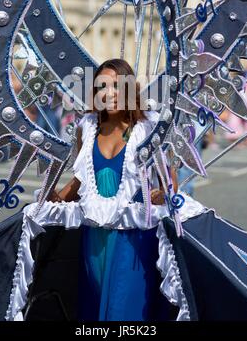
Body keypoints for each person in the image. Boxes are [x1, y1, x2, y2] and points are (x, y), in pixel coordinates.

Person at [48, 58, 178, 321]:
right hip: (94, 237)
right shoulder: (87, 127)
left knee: (124, 309)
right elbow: (83, 179)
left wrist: (161, 193)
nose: (110, 94)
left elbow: (169, 180)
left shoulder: (150, 127)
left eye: (118, 86)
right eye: (102, 87)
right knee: (94, 307)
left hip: (135, 238)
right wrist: (55, 199)